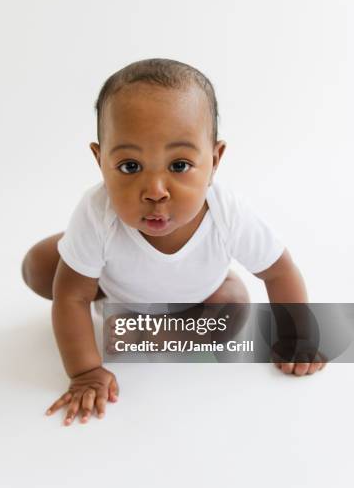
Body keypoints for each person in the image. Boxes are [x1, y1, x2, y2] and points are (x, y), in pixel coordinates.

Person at [21, 58, 326, 427]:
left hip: (196, 295)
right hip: (111, 283)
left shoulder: (227, 213)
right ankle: (102, 288)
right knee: (40, 266)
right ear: (100, 161)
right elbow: (71, 296)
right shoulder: (97, 211)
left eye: (179, 165)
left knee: (230, 309)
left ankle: (151, 330)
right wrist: (85, 371)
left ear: (214, 160)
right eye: (130, 166)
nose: (155, 191)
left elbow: (279, 270)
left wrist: (298, 334)